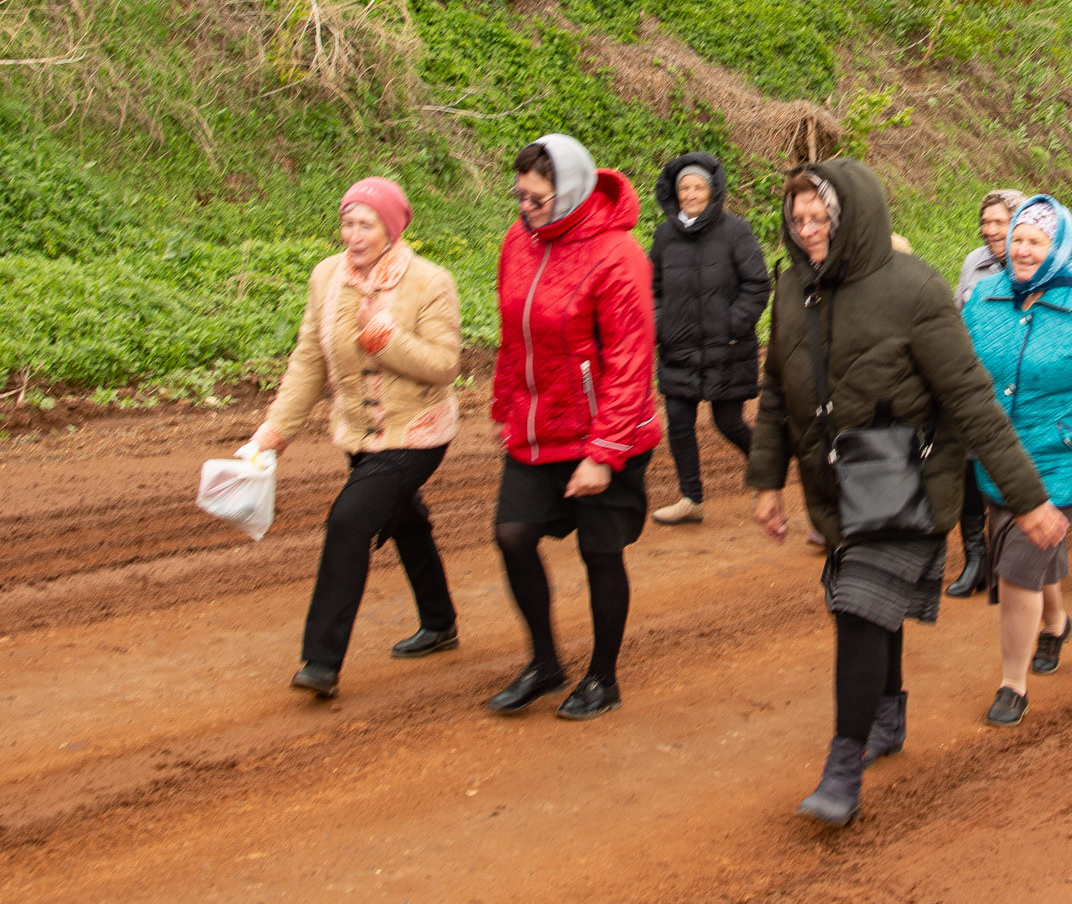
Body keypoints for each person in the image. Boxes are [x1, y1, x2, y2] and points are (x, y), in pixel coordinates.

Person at [748, 160, 1056, 824]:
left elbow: (971, 398)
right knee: (862, 608)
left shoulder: (915, 289)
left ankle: (843, 767)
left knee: (859, 608)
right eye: (797, 219)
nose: (807, 231)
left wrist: (1026, 498)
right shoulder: (793, 289)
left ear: (850, 214)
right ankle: (886, 718)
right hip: (834, 486)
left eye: (820, 217)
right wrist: (767, 481)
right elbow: (776, 392)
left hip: (905, 484)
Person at [242, 178, 461, 700]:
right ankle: (440, 621)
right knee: (403, 517)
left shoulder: (429, 281)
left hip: (417, 432)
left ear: (391, 227)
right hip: (358, 432)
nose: (354, 234)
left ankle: (321, 661)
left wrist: (383, 337)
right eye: (348, 222)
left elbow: (445, 366)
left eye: (366, 223)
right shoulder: (326, 278)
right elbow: (309, 361)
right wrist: (276, 430)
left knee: (349, 521)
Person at [491, 135, 659, 722]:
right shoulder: (519, 241)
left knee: (600, 552)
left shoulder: (618, 255)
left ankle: (603, 677)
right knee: (513, 534)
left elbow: (631, 360)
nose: (525, 208)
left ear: (569, 192)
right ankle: (544, 661)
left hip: (603, 433)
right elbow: (514, 336)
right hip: (540, 426)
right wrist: (504, 407)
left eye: (536, 199)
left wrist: (603, 453)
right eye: (520, 197)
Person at [962, 195, 1072, 727]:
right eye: (1017, 239)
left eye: (1036, 241)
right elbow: (959, 374)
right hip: (997, 461)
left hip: (1061, 465)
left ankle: (1013, 683)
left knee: (1016, 569)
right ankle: (1056, 622)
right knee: (1025, 552)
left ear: (1058, 246)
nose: (1022, 250)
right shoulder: (984, 299)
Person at [648, 153, 771, 527]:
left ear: (712, 190)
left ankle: (767, 477)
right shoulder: (665, 235)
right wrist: (660, 324)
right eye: (684, 187)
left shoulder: (736, 231)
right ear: (675, 192)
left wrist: (732, 325)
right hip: (678, 347)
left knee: (728, 422)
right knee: (679, 422)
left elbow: (757, 283)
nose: (691, 193)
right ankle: (691, 498)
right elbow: (651, 288)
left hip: (726, 349)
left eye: (698, 186)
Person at [947, 188, 1027, 597]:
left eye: (999, 221)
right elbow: (959, 320)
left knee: (1010, 470)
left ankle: (1009, 562)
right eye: (987, 222)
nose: (991, 230)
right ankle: (975, 558)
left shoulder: (1033, 264)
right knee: (967, 467)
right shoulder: (973, 265)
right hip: (977, 384)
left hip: (1022, 385)